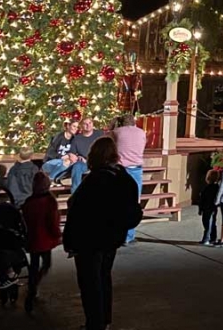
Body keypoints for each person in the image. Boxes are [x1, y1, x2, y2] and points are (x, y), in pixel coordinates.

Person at [63, 136, 142, 330]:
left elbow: (78, 211)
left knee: (90, 283)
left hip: (91, 239)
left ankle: (94, 323)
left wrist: (71, 241)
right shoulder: (125, 178)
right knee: (104, 278)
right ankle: (104, 320)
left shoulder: (96, 179)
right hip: (112, 238)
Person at [21, 171, 61, 314]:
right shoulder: (49, 202)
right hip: (44, 240)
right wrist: (58, 235)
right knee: (46, 264)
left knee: (34, 265)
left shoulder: (28, 202)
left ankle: (32, 289)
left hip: (32, 240)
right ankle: (33, 288)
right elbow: (52, 222)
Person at [111, 114, 146, 245]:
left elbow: (107, 142)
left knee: (118, 201)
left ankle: (117, 234)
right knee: (134, 201)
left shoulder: (117, 132)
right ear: (134, 122)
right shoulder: (142, 132)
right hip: (136, 169)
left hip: (121, 169)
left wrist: (112, 125)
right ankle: (129, 236)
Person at [68, 118, 104, 193]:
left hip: (99, 162)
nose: (88, 125)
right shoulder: (77, 139)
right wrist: (77, 157)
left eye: (90, 123)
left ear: (93, 124)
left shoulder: (100, 134)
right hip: (84, 163)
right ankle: (75, 194)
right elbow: (72, 153)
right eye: (85, 124)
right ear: (81, 126)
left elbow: (106, 149)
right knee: (77, 166)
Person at [198, 169, 221, 246]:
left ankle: (206, 238)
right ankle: (213, 238)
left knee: (207, 223)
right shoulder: (217, 188)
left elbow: (202, 199)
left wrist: (200, 209)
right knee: (212, 222)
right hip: (213, 208)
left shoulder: (206, 188)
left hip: (206, 208)